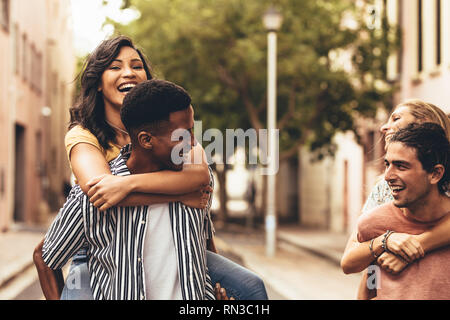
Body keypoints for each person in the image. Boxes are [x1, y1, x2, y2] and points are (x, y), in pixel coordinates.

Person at [33, 36, 267, 300]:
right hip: (95, 248)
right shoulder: (84, 136)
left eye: (137, 66)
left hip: (171, 249)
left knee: (251, 289)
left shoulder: (176, 136)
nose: (128, 73)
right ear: (97, 82)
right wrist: (180, 193)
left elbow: (199, 186)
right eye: (115, 67)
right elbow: (102, 193)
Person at [43, 79, 223, 299]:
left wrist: (215, 290)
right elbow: (46, 260)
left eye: (192, 130)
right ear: (146, 140)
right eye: (183, 135)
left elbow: (204, 247)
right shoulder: (93, 194)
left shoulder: (198, 185)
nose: (193, 141)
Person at [340, 99, 450, 299]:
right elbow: (357, 263)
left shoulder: (435, 177)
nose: (384, 127)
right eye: (388, 164)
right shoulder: (384, 188)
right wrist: (386, 241)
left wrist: (414, 246)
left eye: (396, 118)